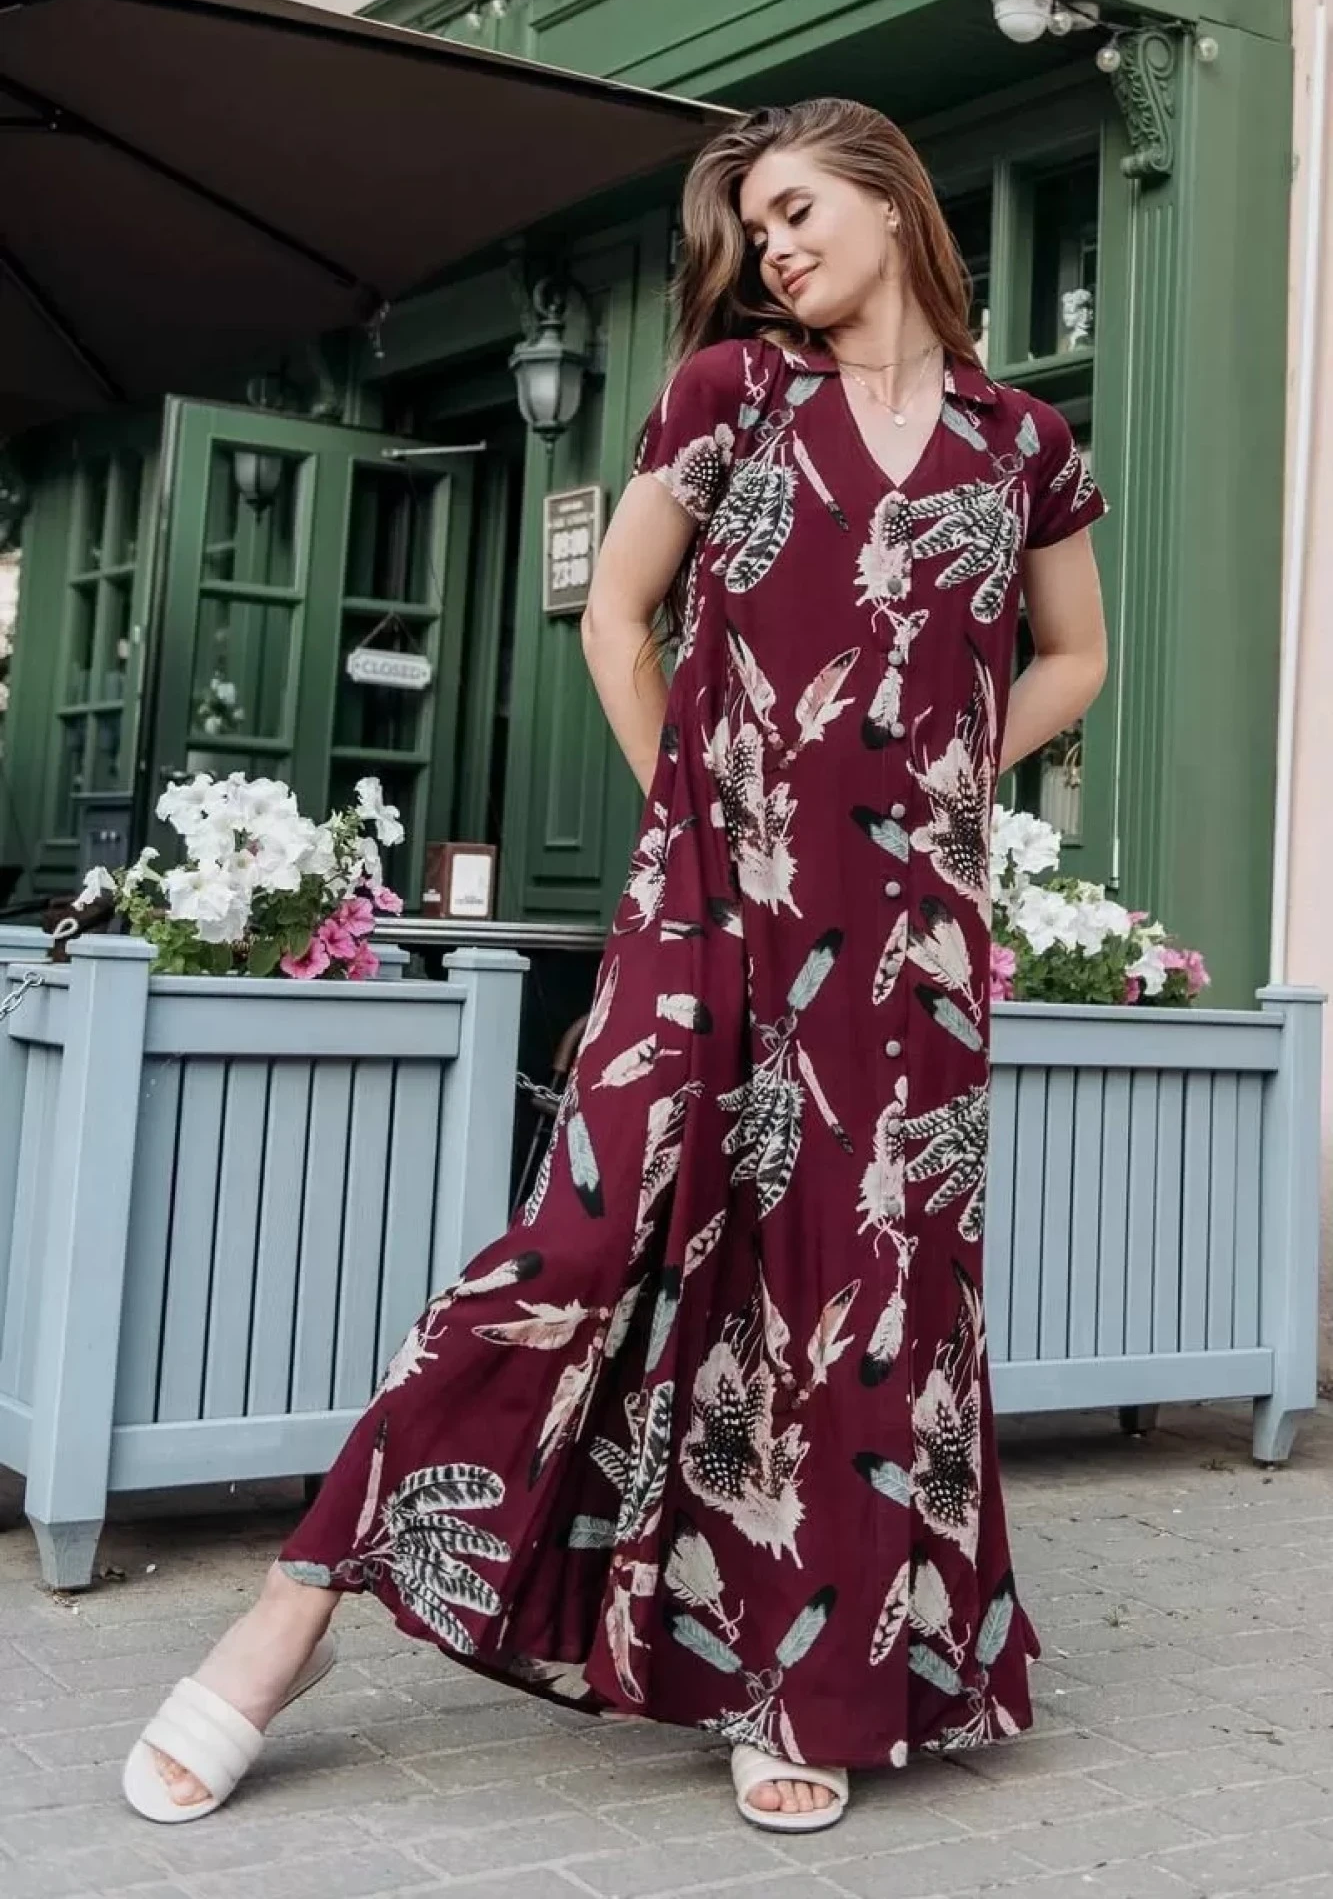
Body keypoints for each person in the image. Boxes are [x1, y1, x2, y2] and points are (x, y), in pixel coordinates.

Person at [123, 97, 1107, 1835]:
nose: (774, 249)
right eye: (754, 230)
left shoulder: (1022, 442)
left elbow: (1077, 653)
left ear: (889, 198)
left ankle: (802, 1675)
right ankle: (293, 1611)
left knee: (855, 1292)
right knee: (573, 1244)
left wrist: (950, 792)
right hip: (711, 905)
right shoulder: (735, 396)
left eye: (796, 210)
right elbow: (613, 615)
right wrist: (700, 825)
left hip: (907, 943)